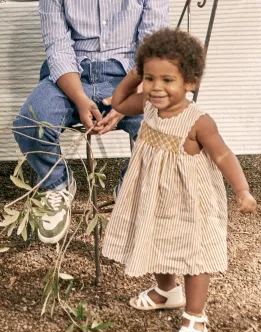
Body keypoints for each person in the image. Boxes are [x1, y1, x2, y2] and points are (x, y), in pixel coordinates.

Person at [102, 28, 257, 332]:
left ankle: (195, 315)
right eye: (150, 78)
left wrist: (242, 190)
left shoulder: (198, 121)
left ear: (190, 81)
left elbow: (224, 154)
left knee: (193, 254)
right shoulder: (147, 104)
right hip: (154, 196)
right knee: (157, 239)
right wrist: (135, 74)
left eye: (168, 80)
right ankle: (167, 291)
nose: (157, 87)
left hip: (190, 201)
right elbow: (117, 102)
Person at [12, 0, 170, 244]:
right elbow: (58, 49)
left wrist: (128, 99)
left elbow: (154, 47)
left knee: (167, 126)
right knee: (30, 122)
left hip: (130, 76)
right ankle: (57, 185)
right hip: (71, 75)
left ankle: (131, 188)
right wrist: (79, 98)